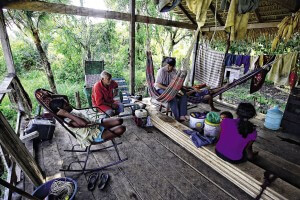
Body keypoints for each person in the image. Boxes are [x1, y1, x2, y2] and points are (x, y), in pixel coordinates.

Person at [49, 97, 126, 147]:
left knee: (119, 120)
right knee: (121, 128)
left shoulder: (70, 112)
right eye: (66, 105)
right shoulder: (67, 120)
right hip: (93, 134)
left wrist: (49, 95)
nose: (69, 105)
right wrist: (66, 114)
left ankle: (108, 129)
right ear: (61, 110)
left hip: (95, 124)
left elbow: (64, 97)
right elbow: (84, 124)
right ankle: (107, 131)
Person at [154, 57, 188, 122]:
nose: (169, 68)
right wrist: (168, 89)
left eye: (171, 67)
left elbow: (176, 82)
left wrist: (178, 88)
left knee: (184, 94)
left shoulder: (174, 71)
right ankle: (177, 118)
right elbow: (157, 84)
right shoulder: (161, 71)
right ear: (167, 65)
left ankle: (182, 115)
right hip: (161, 88)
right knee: (172, 97)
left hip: (171, 88)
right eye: (169, 66)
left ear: (173, 66)